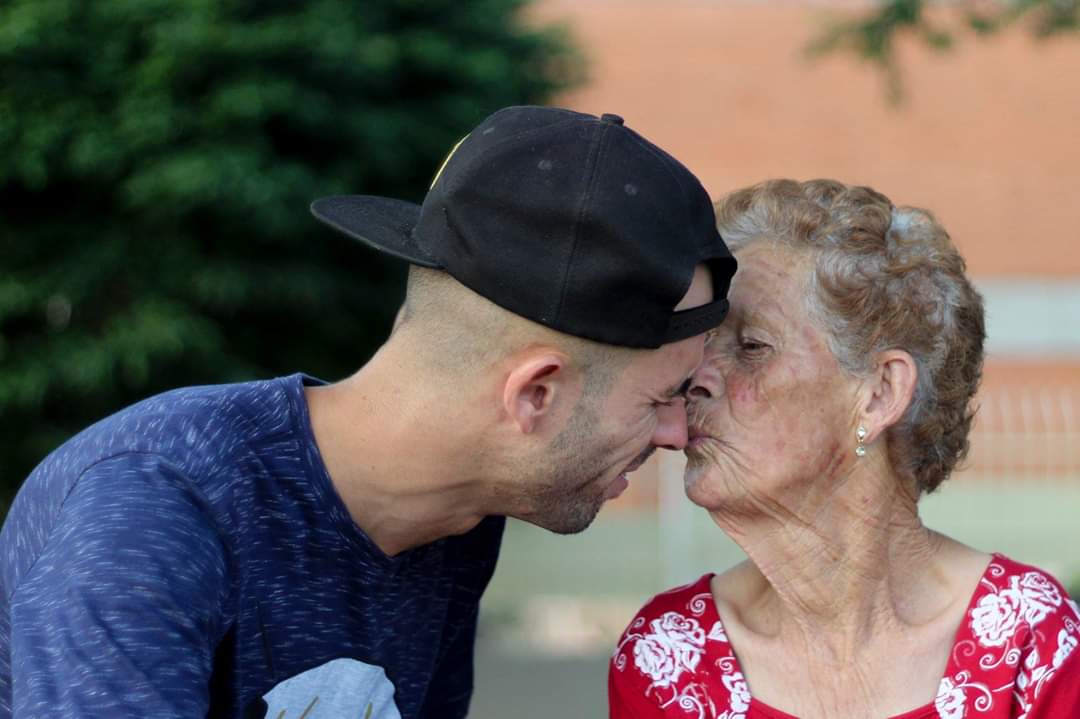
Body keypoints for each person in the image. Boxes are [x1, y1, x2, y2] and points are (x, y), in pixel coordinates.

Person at [0, 106, 737, 718]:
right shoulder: (156, 506)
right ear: (534, 394)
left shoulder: (453, 521)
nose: (678, 434)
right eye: (660, 397)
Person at [609, 179, 1080, 718]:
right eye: (703, 344)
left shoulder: (1030, 646)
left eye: (751, 346)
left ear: (879, 395)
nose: (698, 378)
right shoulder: (668, 655)